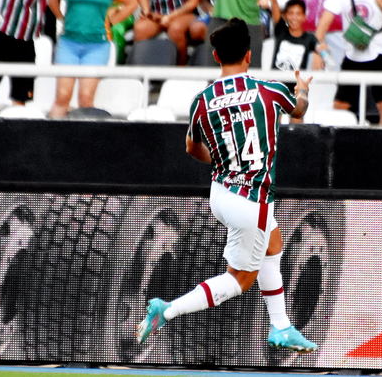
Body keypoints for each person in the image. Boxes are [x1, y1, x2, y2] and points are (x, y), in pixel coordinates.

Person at [135, 18, 317, 353]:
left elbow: (191, 148)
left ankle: (281, 325)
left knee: (273, 244)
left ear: (216, 57)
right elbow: (300, 109)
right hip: (252, 201)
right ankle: (168, 310)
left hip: (221, 192)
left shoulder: (202, 101)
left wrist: (222, 162)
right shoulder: (270, 90)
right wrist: (302, 86)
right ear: (249, 55)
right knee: (239, 280)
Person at [48, 0, 138, 118]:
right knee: (62, 97)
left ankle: (83, 143)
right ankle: (49, 140)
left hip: (97, 45)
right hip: (68, 43)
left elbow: (132, 3)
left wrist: (112, 20)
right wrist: (61, 17)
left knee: (86, 98)